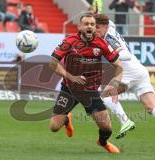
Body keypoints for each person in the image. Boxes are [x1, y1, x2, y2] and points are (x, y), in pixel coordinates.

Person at [94, 13, 155, 151]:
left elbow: (126, 55)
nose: (95, 30)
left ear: (105, 27)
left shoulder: (109, 39)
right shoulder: (110, 28)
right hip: (140, 70)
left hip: (129, 71)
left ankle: (125, 121)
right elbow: (111, 22)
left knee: (104, 97)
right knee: (151, 106)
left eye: (98, 27)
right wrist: (96, 15)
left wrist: (112, 55)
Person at [49, 13, 123, 153]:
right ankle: (66, 119)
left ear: (95, 28)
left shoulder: (102, 44)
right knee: (54, 127)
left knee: (107, 128)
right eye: (86, 24)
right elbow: (53, 64)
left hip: (90, 91)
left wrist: (114, 83)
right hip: (69, 89)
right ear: (80, 26)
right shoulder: (69, 41)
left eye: (92, 24)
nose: (89, 26)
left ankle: (103, 142)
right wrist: (70, 76)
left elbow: (119, 66)